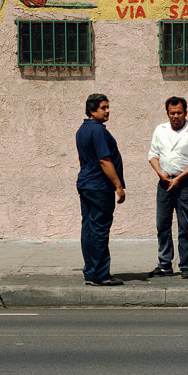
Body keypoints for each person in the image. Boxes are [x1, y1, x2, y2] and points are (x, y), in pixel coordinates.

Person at [147, 96, 188, 279]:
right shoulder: (160, 130)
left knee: (184, 226)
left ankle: (185, 265)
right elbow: (153, 155)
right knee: (162, 225)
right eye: (172, 113)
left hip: (184, 185)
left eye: (179, 113)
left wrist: (180, 177)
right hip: (164, 183)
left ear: (185, 112)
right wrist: (160, 173)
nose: (176, 116)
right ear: (167, 113)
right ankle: (164, 264)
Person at [75, 92, 125, 286]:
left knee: (88, 228)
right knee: (100, 230)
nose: (107, 111)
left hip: (86, 184)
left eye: (107, 107)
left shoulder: (83, 129)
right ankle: (100, 274)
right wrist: (118, 186)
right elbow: (105, 160)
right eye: (103, 108)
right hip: (99, 187)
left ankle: (90, 271)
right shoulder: (98, 131)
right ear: (92, 110)